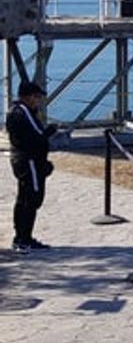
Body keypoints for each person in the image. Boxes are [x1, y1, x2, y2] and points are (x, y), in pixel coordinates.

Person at [7, 79, 57, 253]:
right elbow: (36, 137)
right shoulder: (21, 113)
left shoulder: (23, 111)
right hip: (28, 161)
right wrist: (50, 131)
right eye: (36, 96)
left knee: (26, 198)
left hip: (28, 160)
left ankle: (24, 237)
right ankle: (22, 238)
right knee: (31, 198)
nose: (38, 100)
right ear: (27, 97)